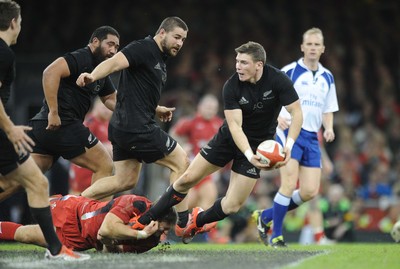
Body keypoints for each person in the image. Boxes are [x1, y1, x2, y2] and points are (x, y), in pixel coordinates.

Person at [130, 41, 303, 245]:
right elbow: (235, 127)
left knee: (232, 206)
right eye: (237, 61)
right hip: (228, 140)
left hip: (259, 145)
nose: (238, 66)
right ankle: (145, 219)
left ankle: (197, 221)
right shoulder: (232, 85)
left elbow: (296, 112)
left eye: (244, 62)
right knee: (187, 179)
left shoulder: (278, 80)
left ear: (259, 65)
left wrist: (288, 146)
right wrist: (249, 155)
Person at [76, 17, 191, 234]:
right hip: (136, 127)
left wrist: (157, 109)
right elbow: (114, 63)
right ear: (162, 33)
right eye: (177, 37)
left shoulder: (159, 58)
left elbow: (136, 92)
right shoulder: (143, 47)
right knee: (181, 163)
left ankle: (74, 203)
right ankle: (183, 222)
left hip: (124, 126)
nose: (180, 43)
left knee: (124, 179)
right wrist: (93, 75)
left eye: (183, 40)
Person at [0, 0, 89, 260]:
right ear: (14, 22)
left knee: (24, 182)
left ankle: (56, 249)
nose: (20, 28)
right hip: (2, 133)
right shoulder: (3, 53)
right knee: (36, 182)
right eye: (21, 23)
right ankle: (57, 250)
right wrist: (10, 129)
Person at [0, 25, 120, 202]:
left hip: (45, 129)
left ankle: (77, 213)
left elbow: (110, 98)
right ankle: (90, 222)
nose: (113, 50)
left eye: (117, 47)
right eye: (110, 44)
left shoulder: (100, 71)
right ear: (95, 42)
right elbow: (50, 72)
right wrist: (54, 112)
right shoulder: (82, 57)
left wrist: (135, 110)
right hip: (63, 123)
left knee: (19, 180)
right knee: (105, 166)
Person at [254, 27, 339, 247]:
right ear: (302, 47)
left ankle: (266, 217)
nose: (312, 48)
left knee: (310, 191)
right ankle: (277, 236)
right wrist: (277, 117)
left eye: (316, 44)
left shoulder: (327, 77)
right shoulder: (290, 71)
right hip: (289, 131)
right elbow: (270, 98)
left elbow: (328, 108)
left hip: (312, 137)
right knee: (289, 183)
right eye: (308, 44)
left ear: (322, 49)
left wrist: (328, 127)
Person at [0, 194, 177, 253]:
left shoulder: (151, 242)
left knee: (24, 235)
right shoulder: (136, 203)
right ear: (156, 219)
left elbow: (108, 245)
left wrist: (110, 242)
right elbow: (106, 228)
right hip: (73, 212)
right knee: (36, 204)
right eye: (164, 228)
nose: (163, 235)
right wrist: (139, 233)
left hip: (80, 241)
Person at [169, 94, 223, 211]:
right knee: (188, 204)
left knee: (208, 201)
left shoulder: (220, 124)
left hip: (209, 170)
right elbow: (173, 134)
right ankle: (183, 225)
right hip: (192, 167)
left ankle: (203, 227)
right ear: (200, 106)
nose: (210, 111)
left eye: (213, 108)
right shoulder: (191, 121)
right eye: (208, 107)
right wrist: (182, 147)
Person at [69, 97, 113, 194]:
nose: (107, 111)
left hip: (98, 168)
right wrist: (107, 147)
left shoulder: (107, 124)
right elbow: (80, 143)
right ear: (96, 106)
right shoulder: (91, 121)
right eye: (104, 107)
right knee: (80, 198)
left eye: (109, 108)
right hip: (85, 169)